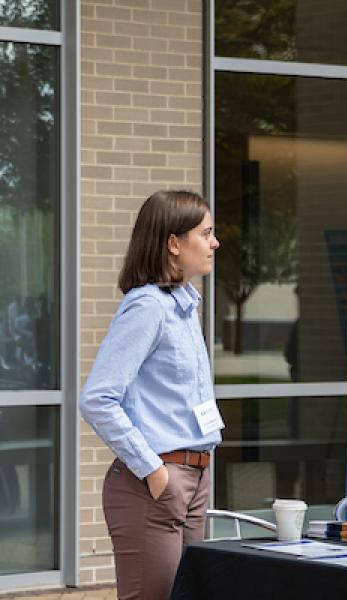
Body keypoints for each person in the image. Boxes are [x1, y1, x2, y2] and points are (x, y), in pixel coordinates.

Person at [80, 190, 223, 600]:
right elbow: (97, 398)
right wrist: (154, 471)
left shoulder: (183, 306)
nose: (215, 243)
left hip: (194, 477)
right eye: (206, 233)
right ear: (174, 244)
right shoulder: (147, 308)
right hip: (156, 482)